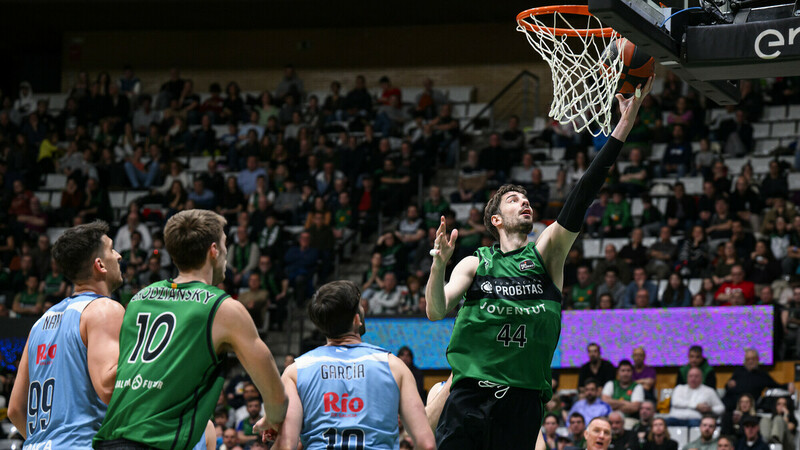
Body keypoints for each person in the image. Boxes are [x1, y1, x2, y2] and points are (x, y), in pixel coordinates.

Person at [424, 76, 654, 448]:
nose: (523, 201)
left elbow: (581, 196)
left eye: (525, 198)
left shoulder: (546, 255)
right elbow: (435, 311)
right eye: (513, 199)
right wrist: (438, 266)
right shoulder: (474, 263)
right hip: (469, 397)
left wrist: (622, 128)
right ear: (495, 219)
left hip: (524, 400)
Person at [94, 210, 288, 449]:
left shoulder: (138, 300)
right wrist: (273, 416)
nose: (226, 254)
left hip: (110, 440)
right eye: (225, 245)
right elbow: (276, 395)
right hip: (155, 442)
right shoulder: (222, 308)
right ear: (214, 250)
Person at [271, 280, 435, 450]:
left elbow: (286, 445)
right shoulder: (394, 366)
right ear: (357, 319)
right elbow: (427, 445)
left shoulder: (295, 372)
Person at [8, 222, 125, 449]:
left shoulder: (39, 323)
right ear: (99, 264)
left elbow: (15, 409)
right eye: (111, 249)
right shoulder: (103, 309)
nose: (118, 256)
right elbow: (109, 388)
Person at [722, 348, 795, 411]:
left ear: (757, 359)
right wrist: (728, 384)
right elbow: (726, 387)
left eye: (753, 359)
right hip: (730, 403)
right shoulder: (738, 371)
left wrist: (788, 385)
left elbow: (776, 385)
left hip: (747, 406)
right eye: (748, 359)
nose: (750, 361)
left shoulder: (762, 375)